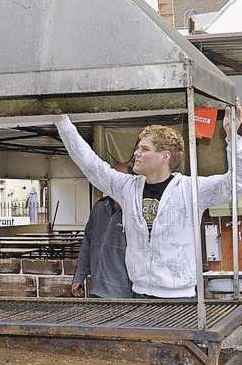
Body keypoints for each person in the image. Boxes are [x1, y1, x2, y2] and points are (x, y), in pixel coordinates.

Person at [55, 98, 242, 298]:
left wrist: (233, 138)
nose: (136, 153)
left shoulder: (190, 190)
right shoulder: (127, 188)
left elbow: (236, 183)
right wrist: (62, 121)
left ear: (165, 156)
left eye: (144, 149)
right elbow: (91, 166)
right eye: (139, 148)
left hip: (180, 298)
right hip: (139, 294)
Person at [71, 164, 131, 298]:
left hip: (126, 292)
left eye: (120, 177)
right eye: (111, 177)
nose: (114, 181)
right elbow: (87, 244)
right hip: (97, 289)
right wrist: (79, 276)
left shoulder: (135, 210)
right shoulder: (99, 207)